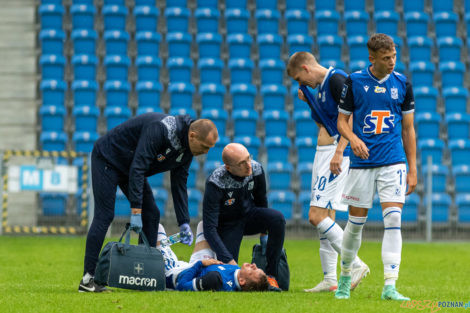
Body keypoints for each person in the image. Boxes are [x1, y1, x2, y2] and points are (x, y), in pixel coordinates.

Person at [78, 113, 218, 292]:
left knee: (152, 214)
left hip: (130, 167)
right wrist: (136, 210)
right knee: (104, 215)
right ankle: (88, 279)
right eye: (205, 147)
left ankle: (144, 276)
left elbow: (179, 183)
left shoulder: (187, 149)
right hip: (108, 158)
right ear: (192, 136)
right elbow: (139, 167)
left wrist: (184, 222)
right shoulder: (161, 129)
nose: (205, 152)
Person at [335, 33, 417, 301]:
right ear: (372, 58)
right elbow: (341, 122)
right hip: (362, 163)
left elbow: (408, 129)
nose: (392, 61)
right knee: (356, 224)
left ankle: (390, 286)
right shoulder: (355, 81)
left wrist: (413, 168)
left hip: (393, 162)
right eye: (386, 58)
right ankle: (345, 278)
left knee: (393, 219)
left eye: (394, 56)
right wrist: (354, 139)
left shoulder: (403, 84)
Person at [286, 52, 369, 293]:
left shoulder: (336, 80)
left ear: (305, 67)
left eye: (298, 77)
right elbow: (326, 122)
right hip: (324, 152)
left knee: (316, 216)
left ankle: (355, 263)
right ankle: (330, 278)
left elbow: (352, 116)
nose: (300, 83)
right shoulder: (321, 88)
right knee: (327, 217)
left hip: (334, 152)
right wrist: (308, 102)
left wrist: (340, 151)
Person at [202, 143, 286, 289]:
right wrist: (229, 260)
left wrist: (263, 233)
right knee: (231, 274)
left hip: (249, 216)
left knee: (277, 219)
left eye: (248, 158)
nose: (249, 165)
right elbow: (209, 228)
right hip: (228, 225)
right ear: (229, 168)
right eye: (242, 163)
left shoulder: (257, 168)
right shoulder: (215, 182)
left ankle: (271, 276)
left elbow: (261, 199)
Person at [157, 222, 270, 291]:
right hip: (201, 267)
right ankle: (176, 238)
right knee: (205, 225)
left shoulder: (215, 280)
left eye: (253, 270)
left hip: (176, 273)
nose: (254, 265)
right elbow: (261, 284)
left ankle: (146, 257)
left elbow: (181, 286)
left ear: (241, 281)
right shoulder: (238, 272)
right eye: (257, 267)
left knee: (157, 228)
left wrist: (200, 263)